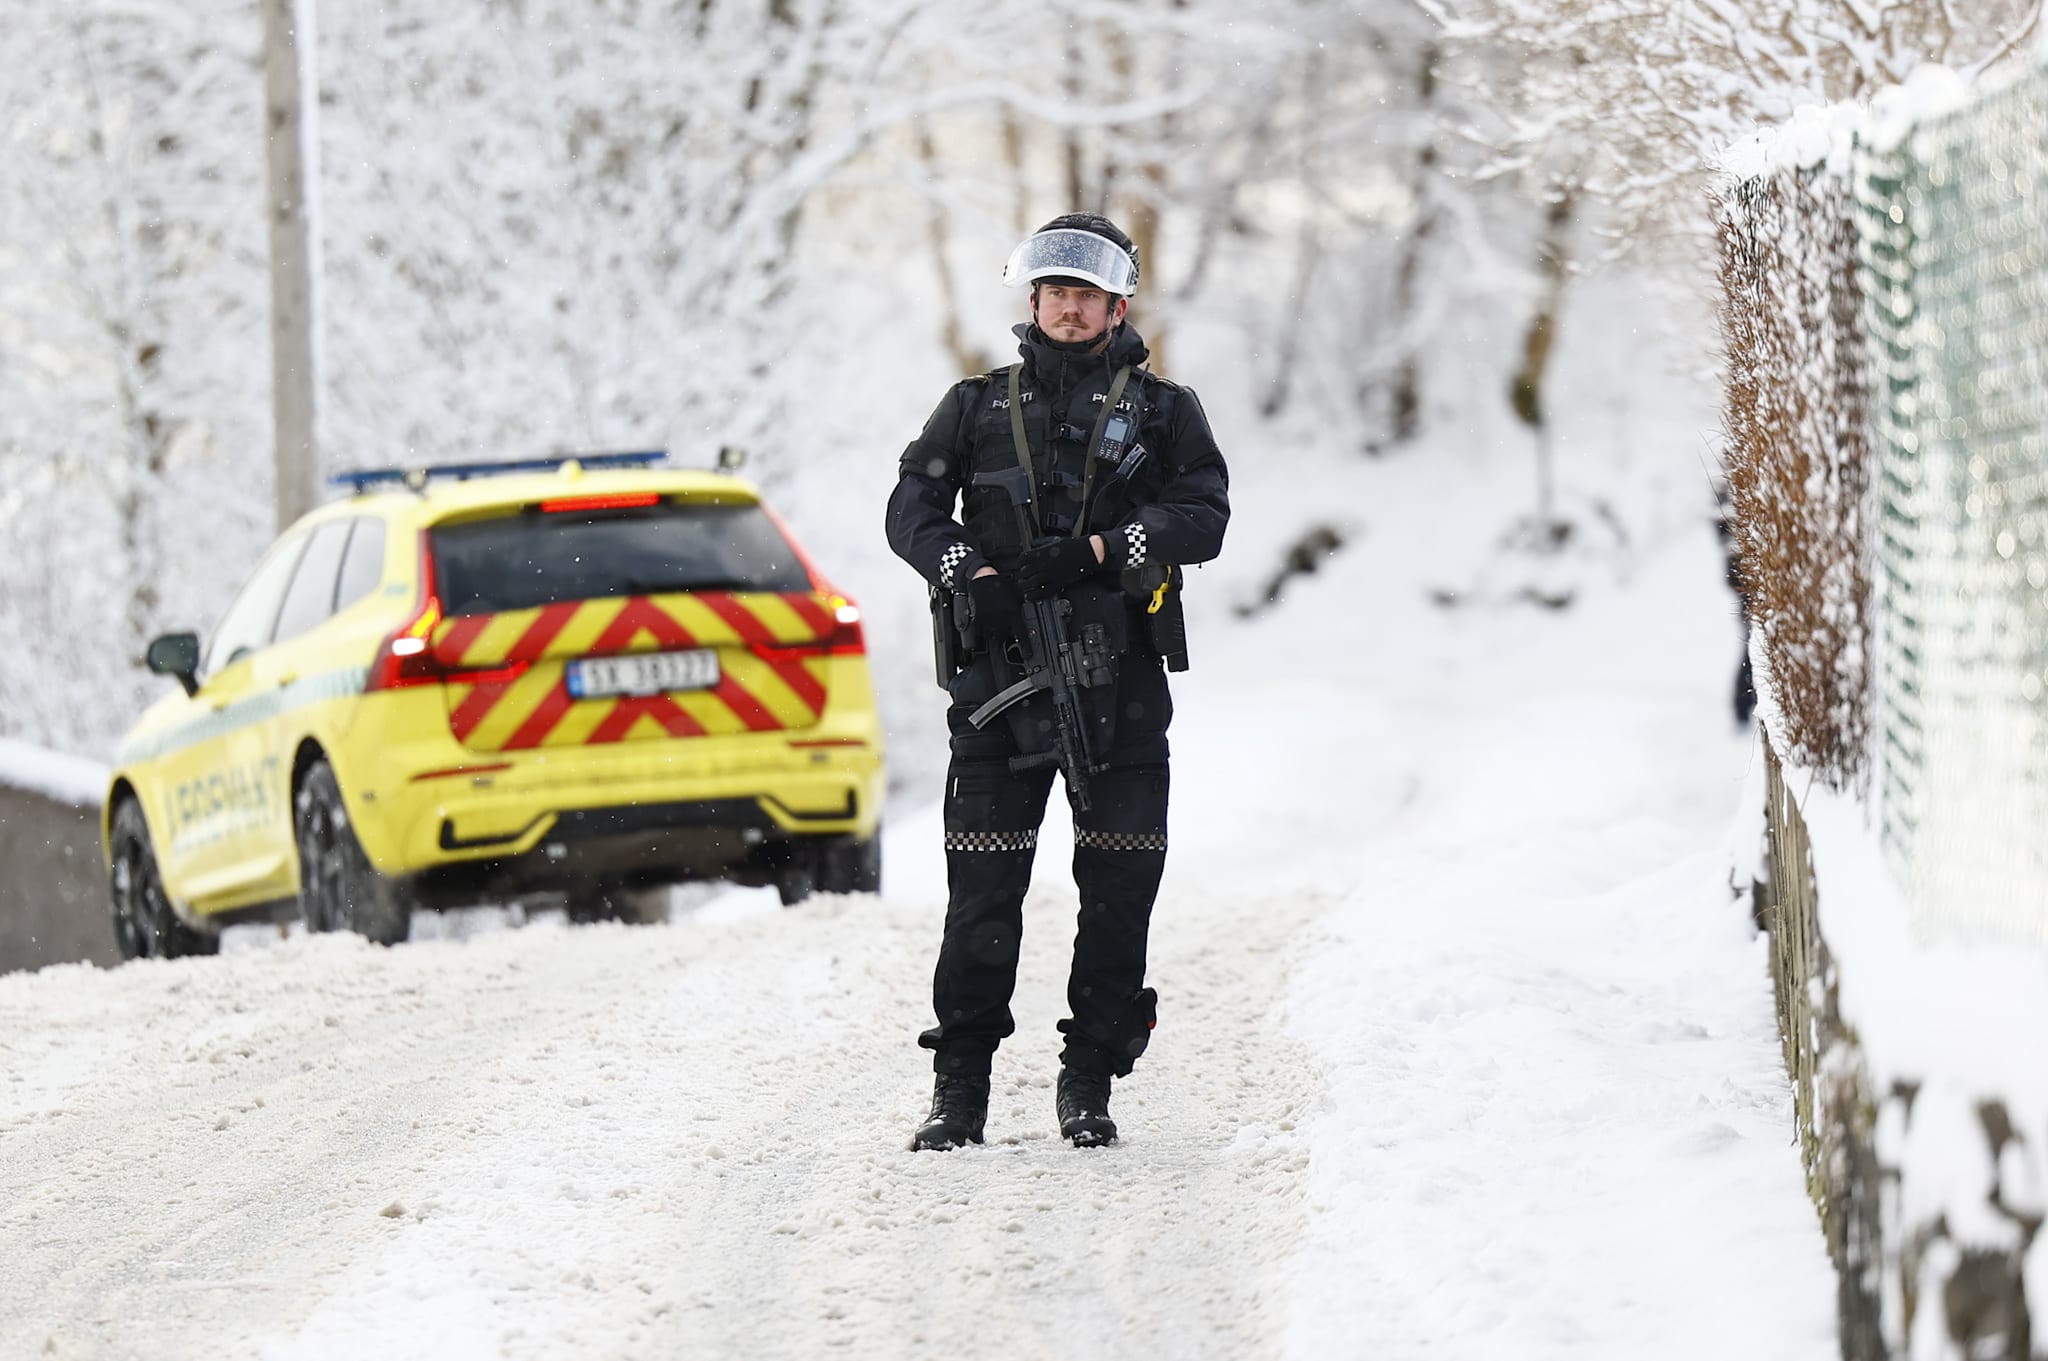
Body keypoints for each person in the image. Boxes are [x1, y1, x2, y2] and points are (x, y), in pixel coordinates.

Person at [885, 213, 1230, 1150]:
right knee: (981, 898)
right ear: (1032, 302)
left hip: (1119, 687)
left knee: (1120, 888)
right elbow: (910, 511)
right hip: (999, 691)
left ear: (1117, 305)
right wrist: (971, 573)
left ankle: (1090, 1080)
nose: (1069, 309)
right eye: (1055, 293)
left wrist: (1094, 553)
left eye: (1086, 295)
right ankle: (960, 1089)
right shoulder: (973, 405)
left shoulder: (1165, 411)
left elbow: (1204, 514)